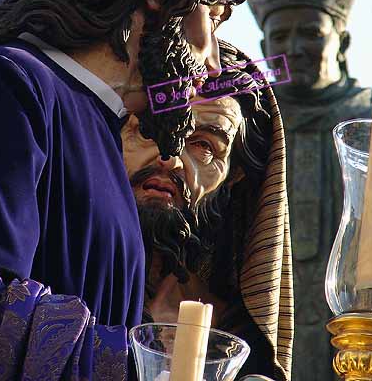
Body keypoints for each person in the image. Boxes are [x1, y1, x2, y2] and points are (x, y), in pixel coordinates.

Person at [0, 0, 259, 379]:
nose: (212, 63)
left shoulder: (100, 128)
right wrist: (156, 368)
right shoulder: (9, 82)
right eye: (212, 15)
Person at [243, 0, 372, 381]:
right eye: (279, 35)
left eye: (310, 31)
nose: (293, 46)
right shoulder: (245, 124)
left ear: (341, 38)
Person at [121, 40, 294, 381]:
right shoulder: (61, 295)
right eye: (148, 130)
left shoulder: (239, 343)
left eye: (202, 145)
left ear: (236, 174)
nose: (168, 159)